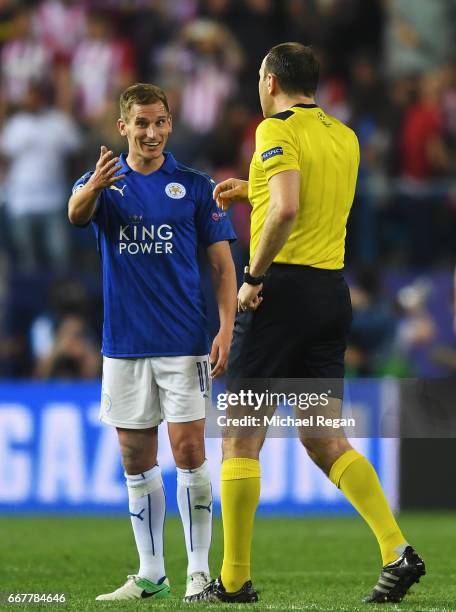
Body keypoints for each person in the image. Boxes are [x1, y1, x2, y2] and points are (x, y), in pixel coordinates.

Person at [190, 43, 425, 604]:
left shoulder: (275, 129)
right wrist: (254, 191)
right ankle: (397, 550)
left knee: (241, 438)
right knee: (323, 437)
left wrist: (252, 274)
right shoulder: (344, 136)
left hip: (281, 292)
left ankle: (233, 580)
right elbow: (316, 202)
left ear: (269, 81)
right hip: (329, 293)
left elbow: (290, 207)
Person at [67, 83, 237, 601]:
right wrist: (93, 185)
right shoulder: (104, 184)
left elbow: (222, 266)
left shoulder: (193, 184)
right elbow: (75, 214)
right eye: (141, 123)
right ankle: (150, 574)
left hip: (184, 343)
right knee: (135, 458)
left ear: (170, 124)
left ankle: (199, 573)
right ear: (123, 128)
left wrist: (226, 328)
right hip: (124, 344)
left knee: (188, 451)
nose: (152, 132)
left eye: (160, 122)